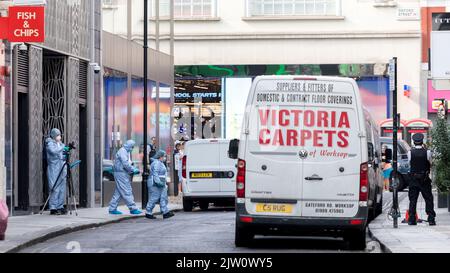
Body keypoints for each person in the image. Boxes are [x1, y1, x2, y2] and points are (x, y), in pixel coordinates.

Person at [407, 133, 436, 226]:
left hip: (413, 178)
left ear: (414, 142)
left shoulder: (410, 152)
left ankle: (411, 219)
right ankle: (431, 219)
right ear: (422, 141)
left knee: (413, 199)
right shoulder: (427, 152)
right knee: (428, 199)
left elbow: (409, 163)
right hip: (424, 178)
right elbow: (430, 163)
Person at [108, 140, 143, 215]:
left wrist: (131, 169)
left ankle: (112, 208)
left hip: (122, 173)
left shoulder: (124, 151)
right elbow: (125, 163)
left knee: (119, 191)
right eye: (132, 147)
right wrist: (133, 169)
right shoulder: (123, 151)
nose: (132, 148)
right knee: (126, 190)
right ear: (129, 146)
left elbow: (126, 163)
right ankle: (132, 208)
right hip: (121, 174)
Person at [145, 150, 175, 220]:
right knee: (155, 197)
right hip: (155, 184)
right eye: (164, 156)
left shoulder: (159, 163)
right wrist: (158, 182)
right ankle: (148, 212)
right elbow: (155, 173)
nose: (165, 157)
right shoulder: (156, 163)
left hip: (160, 183)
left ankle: (165, 212)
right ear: (160, 156)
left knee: (163, 197)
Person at [45, 128, 67, 215]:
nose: (59, 136)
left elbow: (63, 154)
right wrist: (62, 147)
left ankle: (60, 206)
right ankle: (53, 207)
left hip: (61, 167)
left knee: (62, 188)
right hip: (53, 168)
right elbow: (53, 152)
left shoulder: (60, 144)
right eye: (58, 135)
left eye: (60, 135)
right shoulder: (50, 143)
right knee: (54, 187)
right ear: (54, 135)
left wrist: (66, 149)